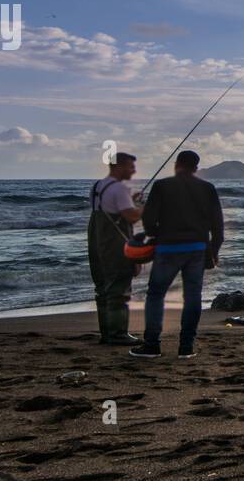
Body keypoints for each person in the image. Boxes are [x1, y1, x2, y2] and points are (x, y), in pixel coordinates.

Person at [130, 149, 224, 359]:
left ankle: (152, 345)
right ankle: (186, 347)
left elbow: (149, 220)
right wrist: (214, 250)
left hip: (168, 248)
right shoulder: (207, 188)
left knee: (156, 294)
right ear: (196, 168)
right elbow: (217, 224)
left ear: (176, 164)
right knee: (192, 297)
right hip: (197, 250)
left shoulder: (161, 186)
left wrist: (156, 235)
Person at [88, 151, 143, 345]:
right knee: (119, 289)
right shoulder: (119, 188)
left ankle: (107, 333)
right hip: (115, 245)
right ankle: (119, 334)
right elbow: (131, 217)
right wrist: (144, 207)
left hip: (97, 243)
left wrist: (132, 201)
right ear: (118, 166)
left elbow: (110, 209)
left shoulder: (98, 186)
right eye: (130, 166)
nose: (133, 170)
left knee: (102, 288)